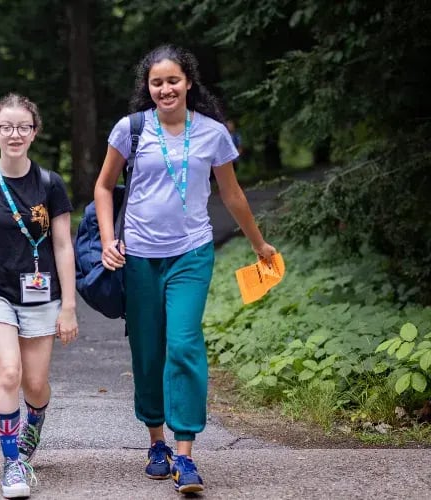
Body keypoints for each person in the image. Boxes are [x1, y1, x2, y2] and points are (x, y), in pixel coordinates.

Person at [94, 45, 276, 495]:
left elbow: (232, 194)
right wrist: (107, 241)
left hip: (192, 254)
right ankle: (156, 443)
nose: (165, 89)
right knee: (148, 351)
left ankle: (186, 453)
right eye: (157, 82)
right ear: (148, 87)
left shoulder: (213, 133)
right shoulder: (130, 129)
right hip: (137, 256)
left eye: (173, 80)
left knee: (184, 345)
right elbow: (103, 186)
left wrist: (258, 244)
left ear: (188, 82)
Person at [0, 93, 78, 498]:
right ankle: (12, 465)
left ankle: (34, 425)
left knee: (35, 384)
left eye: (23, 127)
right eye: (6, 127)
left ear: (34, 132)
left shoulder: (49, 184)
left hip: (42, 295)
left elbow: (63, 245)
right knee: (9, 372)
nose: (14, 134)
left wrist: (70, 308)